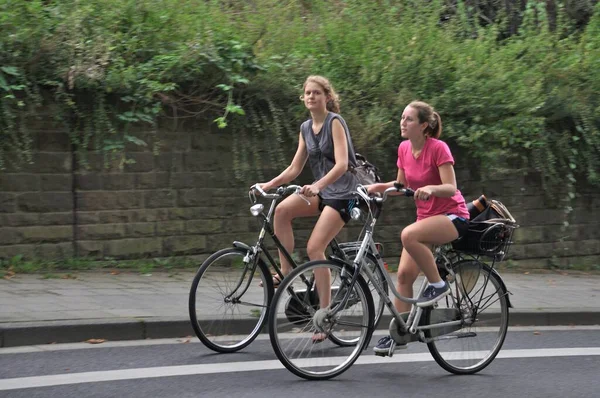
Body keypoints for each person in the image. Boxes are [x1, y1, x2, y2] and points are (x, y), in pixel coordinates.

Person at [255, 75, 360, 343]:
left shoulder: (335, 122)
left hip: (344, 193)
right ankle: (286, 271)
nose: (311, 97)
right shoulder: (305, 128)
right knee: (281, 211)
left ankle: (325, 318)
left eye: (316, 92)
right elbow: (294, 168)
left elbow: (342, 164)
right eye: (307, 93)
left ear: (327, 97)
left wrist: (317, 185)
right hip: (322, 191)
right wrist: (269, 184)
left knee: (315, 248)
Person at [366, 101, 470, 355]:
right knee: (403, 277)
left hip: (452, 216)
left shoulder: (438, 148)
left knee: (407, 234)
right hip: (426, 219)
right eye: (402, 117)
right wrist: (377, 188)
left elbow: (451, 188)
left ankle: (438, 284)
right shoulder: (403, 149)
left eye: (409, 119)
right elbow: (401, 185)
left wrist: (431, 189)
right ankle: (400, 334)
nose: (403, 122)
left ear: (424, 126)